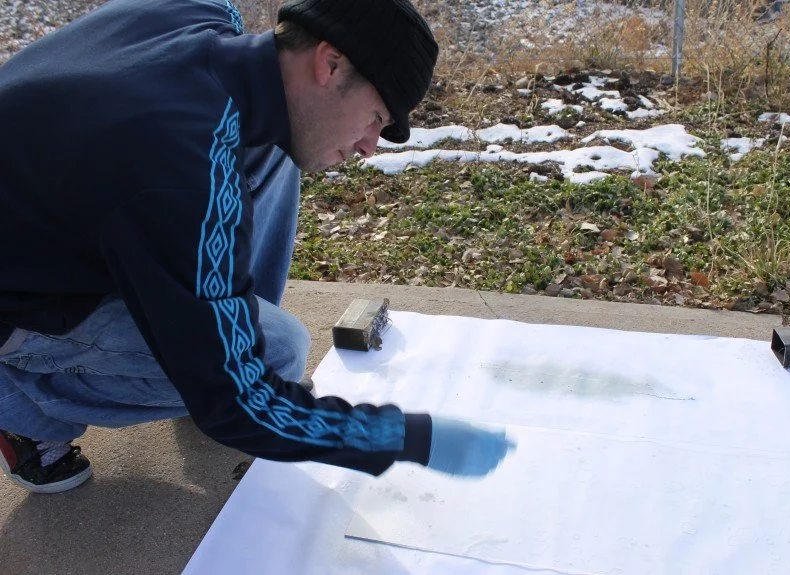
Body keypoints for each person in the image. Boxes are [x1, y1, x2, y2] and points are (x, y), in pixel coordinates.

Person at [0, 0, 514, 494]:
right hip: (21, 300)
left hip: (57, 212)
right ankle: (17, 410)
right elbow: (238, 407)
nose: (368, 147)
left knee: (275, 147)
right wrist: (406, 438)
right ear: (330, 63)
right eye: (377, 117)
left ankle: (218, 331)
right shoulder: (181, 172)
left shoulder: (202, 16)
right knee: (281, 354)